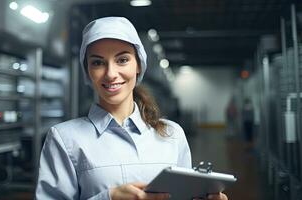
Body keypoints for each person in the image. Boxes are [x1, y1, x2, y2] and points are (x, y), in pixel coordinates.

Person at [35, 16, 228, 200]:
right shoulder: (64, 139)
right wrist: (108, 198)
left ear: (138, 65)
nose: (111, 74)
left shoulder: (173, 134)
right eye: (98, 62)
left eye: (122, 60)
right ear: (88, 71)